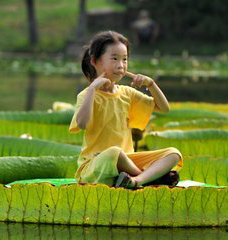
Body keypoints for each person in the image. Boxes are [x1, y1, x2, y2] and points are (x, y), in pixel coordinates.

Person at [69, 31, 182, 189]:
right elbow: (82, 123)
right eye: (114, 59)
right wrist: (92, 88)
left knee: (173, 154)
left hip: (129, 160)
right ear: (94, 61)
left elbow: (164, 108)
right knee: (114, 153)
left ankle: (137, 180)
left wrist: (151, 84)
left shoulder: (127, 93)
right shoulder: (87, 95)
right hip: (96, 164)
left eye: (125, 59)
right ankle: (151, 178)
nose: (121, 65)